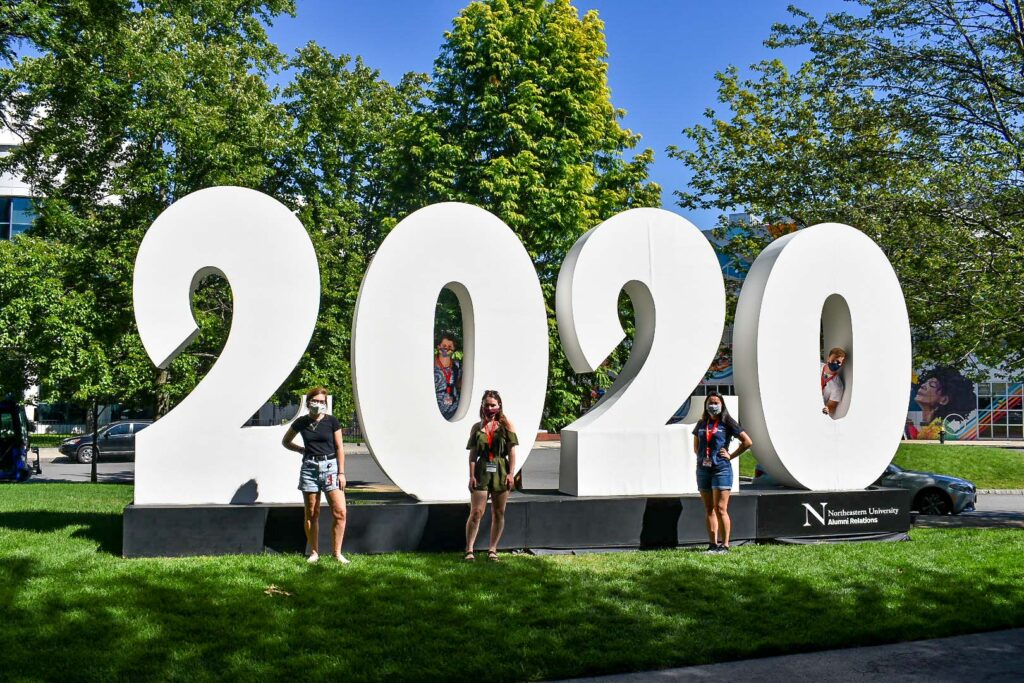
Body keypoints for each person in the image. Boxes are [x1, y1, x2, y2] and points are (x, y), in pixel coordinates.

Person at [281, 387, 349, 564]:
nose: (319, 404)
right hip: (310, 468)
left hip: (331, 467)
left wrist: (341, 472)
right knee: (311, 512)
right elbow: (286, 441)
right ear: (308, 401)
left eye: (322, 402)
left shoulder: (331, 421)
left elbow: (340, 447)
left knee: (340, 511)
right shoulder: (301, 422)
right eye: (316, 401)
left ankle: (337, 553)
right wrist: (301, 450)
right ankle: (314, 552)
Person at [692, 392, 752, 553]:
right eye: (710, 402)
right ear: (706, 405)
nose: (713, 405)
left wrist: (730, 456)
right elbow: (696, 447)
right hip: (703, 470)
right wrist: (702, 457)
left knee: (720, 508)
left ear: (722, 405)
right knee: (709, 508)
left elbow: (747, 441)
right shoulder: (701, 424)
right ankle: (712, 544)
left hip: (721, 469)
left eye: (716, 402)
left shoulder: (727, 423)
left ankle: (725, 545)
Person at [464, 390, 518, 561]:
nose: (490, 408)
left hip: (501, 470)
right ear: (482, 405)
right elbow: (473, 455)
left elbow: (512, 451)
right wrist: (471, 476)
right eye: (487, 404)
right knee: (476, 512)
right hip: (482, 471)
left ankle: (492, 550)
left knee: (499, 512)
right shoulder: (477, 427)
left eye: (493, 405)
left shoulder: (506, 425)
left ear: (499, 406)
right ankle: (469, 549)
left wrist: (511, 474)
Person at [913, 367, 977, 440]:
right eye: (925, 382)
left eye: (932, 385)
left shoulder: (945, 434)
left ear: (944, 400)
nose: (922, 386)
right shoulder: (927, 427)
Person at [434, 333, 462, 420]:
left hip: (453, 410)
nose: (447, 348)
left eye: (450, 346)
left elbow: (460, 384)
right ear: (439, 346)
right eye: (444, 345)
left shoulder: (458, 366)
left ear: (453, 348)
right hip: (433, 411)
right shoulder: (430, 365)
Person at [821, 347, 847, 417]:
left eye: (838, 362)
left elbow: (832, 406)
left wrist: (825, 410)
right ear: (828, 358)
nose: (835, 363)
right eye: (833, 360)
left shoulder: (838, 386)